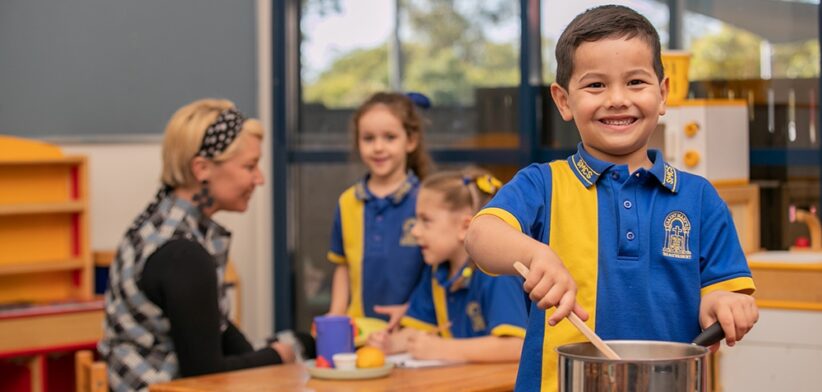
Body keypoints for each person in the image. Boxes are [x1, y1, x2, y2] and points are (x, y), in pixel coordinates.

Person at [464, 5, 759, 391]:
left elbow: (722, 292)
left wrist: (725, 306)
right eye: (595, 85)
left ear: (664, 93)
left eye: (636, 82)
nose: (617, 99)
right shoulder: (542, 184)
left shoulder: (699, 198)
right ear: (564, 101)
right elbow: (480, 235)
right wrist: (537, 255)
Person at [99, 99, 305, 391]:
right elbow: (206, 374)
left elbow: (215, 327)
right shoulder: (183, 255)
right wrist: (276, 356)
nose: (259, 179)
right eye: (250, 166)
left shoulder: (161, 224)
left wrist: (273, 353)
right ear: (202, 168)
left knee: (302, 342)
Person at [368, 169, 528, 363]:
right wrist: (390, 344)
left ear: (464, 227)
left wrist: (442, 348)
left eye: (426, 220)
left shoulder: (497, 272)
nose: (415, 231)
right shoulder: (437, 271)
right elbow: (420, 327)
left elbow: (516, 347)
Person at [327, 92, 431, 328]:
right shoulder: (347, 202)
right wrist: (336, 314)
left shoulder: (427, 200)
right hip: (360, 331)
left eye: (390, 137)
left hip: (413, 329)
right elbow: (342, 265)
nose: (378, 147)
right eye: (368, 138)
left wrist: (412, 311)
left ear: (411, 141)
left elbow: (438, 271)